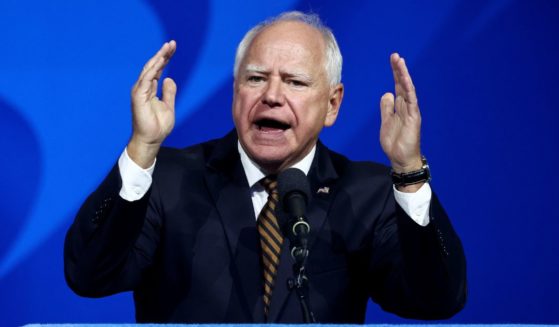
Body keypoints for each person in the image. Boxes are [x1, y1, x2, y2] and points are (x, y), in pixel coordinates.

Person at [64, 11, 466, 323]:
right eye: (255, 78)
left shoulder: (366, 192)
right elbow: (89, 275)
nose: (272, 95)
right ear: (235, 90)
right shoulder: (169, 177)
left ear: (332, 104)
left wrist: (409, 171)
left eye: (295, 82)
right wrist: (141, 148)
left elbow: (436, 300)